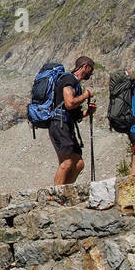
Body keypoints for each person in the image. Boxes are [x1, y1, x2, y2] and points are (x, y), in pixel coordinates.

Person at [51, 56, 95, 185]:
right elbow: (69, 103)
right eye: (91, 69)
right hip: (59, 124)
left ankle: (65, 191)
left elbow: (73, 113)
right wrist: (86, 95)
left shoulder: (75, 84)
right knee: (67, 162)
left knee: (79, 163)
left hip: (67, 124)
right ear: (85, 66)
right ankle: (56, 196)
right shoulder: (68, 79)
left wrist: (88, 112)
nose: (91, 73)